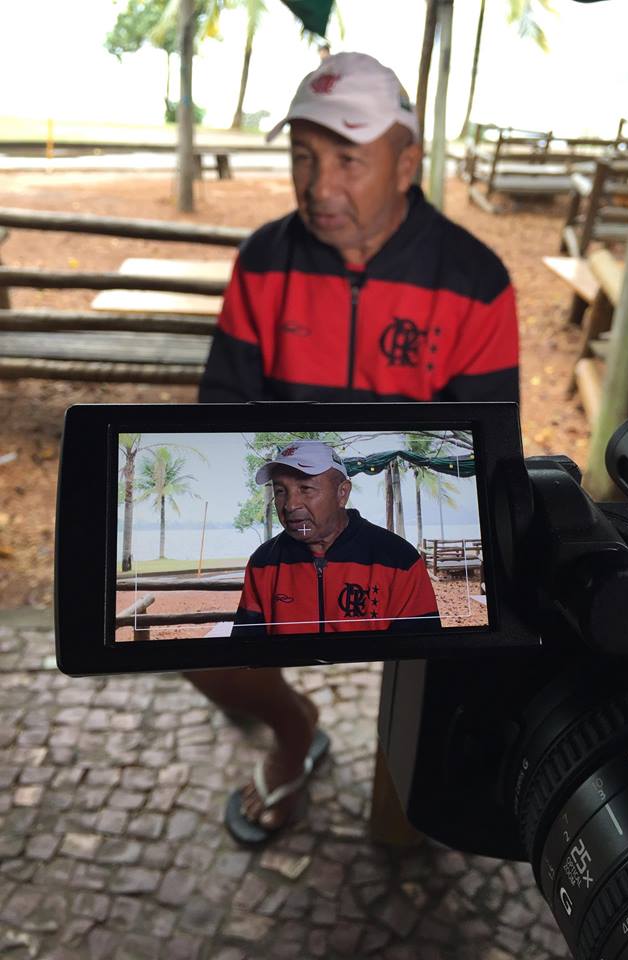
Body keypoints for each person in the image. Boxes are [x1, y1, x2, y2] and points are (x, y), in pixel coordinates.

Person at [190, 51, 520, 844]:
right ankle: (295, 730)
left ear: (406, 164)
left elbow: (489, 456)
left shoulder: (476, 281)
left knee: (468, 643)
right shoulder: (264, 261)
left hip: (401, 538)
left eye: (347, 159)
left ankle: (411, 799)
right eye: (303, 157)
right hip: (288, 517)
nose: (319, 186)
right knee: (200, 643)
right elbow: (218, 417)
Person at [232, 440, 440, 637]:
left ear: (342, 493)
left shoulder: (399, 560)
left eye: (306, 488)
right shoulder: (263, 562)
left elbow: (420, 657)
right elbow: (246, 653)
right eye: (280, 491)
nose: (290, 505)